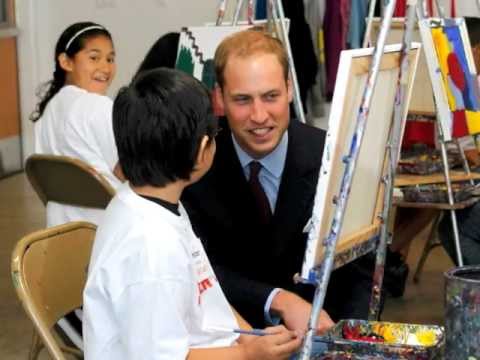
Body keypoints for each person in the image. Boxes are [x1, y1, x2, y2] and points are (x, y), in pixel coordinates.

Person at [83, 68, 301, 359]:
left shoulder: (155, 201)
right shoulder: (150, 245)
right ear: (202, 149)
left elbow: (206, 293)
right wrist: (250, 355)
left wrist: (252, 340)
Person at [182, 29, 374, 332]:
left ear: (289, 89)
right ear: (219, 98)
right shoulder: (195, 165)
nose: (259, 116)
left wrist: (348, 342)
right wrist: (276, 299)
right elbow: (196, 269)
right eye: (243, 100)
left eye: (271, 96)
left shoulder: (334, 157)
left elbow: (360, 271)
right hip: (232, 339)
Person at [31, 21, 122, 227]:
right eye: (94, 58)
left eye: (110, 59)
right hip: (107, 228)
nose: (105, 67)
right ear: (66, 62)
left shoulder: (48, 112)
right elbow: (126, 170)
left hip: (64, 232)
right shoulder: (98, 106)